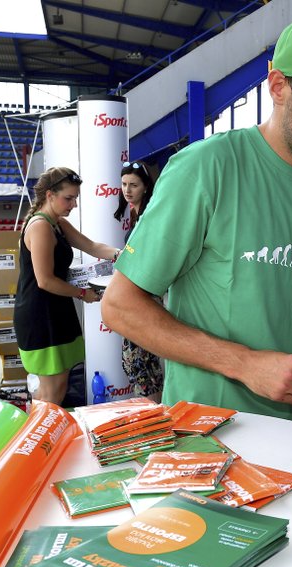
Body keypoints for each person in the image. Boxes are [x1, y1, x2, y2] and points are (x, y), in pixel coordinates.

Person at [100, 12, 292, 430]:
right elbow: (121, 306)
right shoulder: (206, 168)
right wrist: (245, 364)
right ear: (278, 87)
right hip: (210, 438)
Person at [14, 166, 119, 405]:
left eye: (75, 198)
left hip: (56, 312)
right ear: (50, 195)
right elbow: (45, 280)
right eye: (68, 198)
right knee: (50, 395)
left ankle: (45, 437)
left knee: (57, 389)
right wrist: (83, 294)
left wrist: (125, 254)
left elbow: (92, 246)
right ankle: (42, 439)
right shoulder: (41, 226)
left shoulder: (56, 223)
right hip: (41, 317)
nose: (73, 204)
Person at [113, 160, 164, 401]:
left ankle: (153, 415)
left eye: (133, 184)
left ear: (145, 187)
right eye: (124, 184)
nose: (127, 190)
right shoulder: (134, 213)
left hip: (144, 296)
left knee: (142, 364)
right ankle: (152, 412)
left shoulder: (150, 214)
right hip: (135, 292)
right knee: (140, 364)